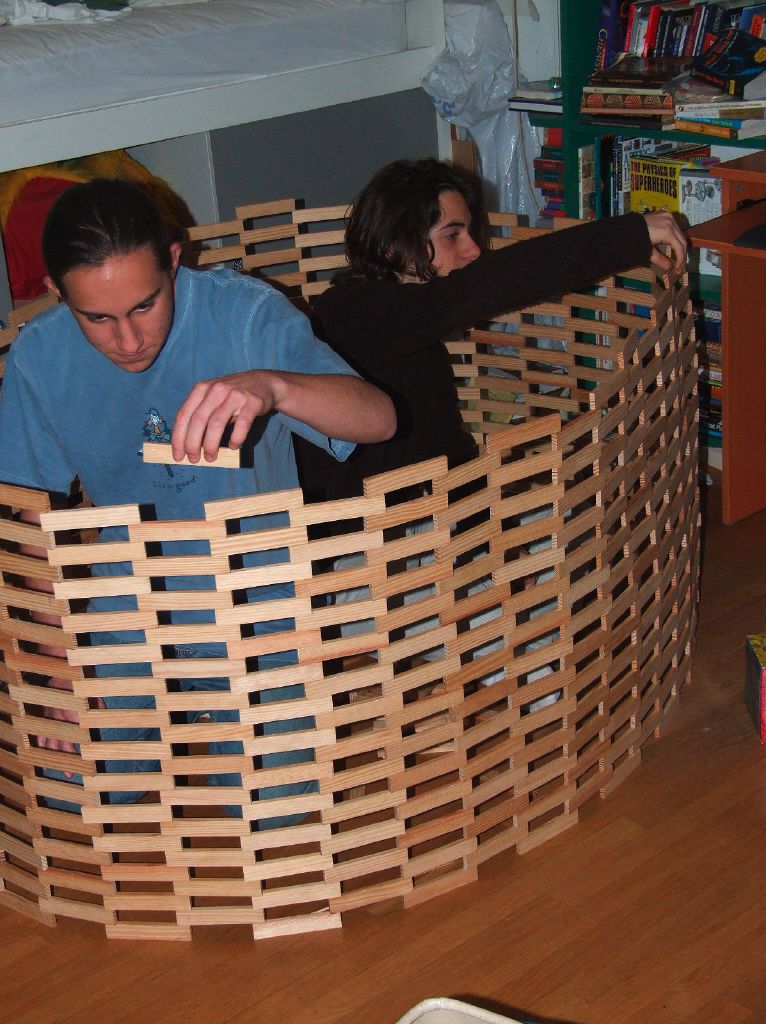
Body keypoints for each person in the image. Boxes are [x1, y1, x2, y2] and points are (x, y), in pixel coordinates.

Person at [0, 177, 396, 825]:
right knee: (68, 798)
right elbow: (28, 516)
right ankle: (174, 723)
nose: (129, 340)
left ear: (174, 261)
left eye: (145, 305)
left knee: (277, 812)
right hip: (126, 596)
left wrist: (274, 387)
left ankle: (228, 721)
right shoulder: (39, 356)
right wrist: (56, 658)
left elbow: (379, 419)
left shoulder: (244, 314)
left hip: (258, 592)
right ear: (56, 293)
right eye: (97, 318)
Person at [296, 157, 688, 501]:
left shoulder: (405, 325)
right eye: (452, 235)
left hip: (421, 518)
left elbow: (443, 446)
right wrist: (629, 235)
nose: (473, 250)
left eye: (469, 232)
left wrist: (483, 528)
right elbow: (495, 283)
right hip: (363, 538)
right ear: (393, 247)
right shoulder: (354, 311)